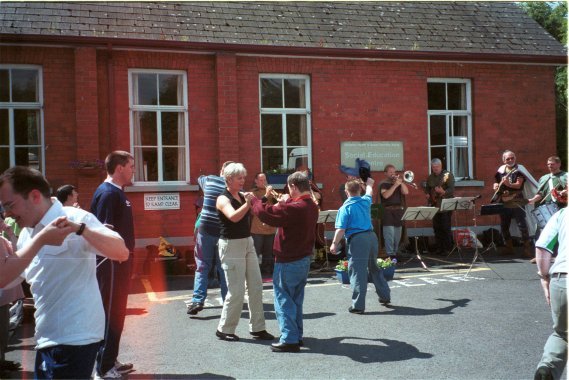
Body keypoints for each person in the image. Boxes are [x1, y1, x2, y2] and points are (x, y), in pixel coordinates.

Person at [0, 166, 128, 379]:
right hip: (46, 339)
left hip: (75, 338)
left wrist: (81, 230)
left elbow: (121, 252)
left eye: (9, 205)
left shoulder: (74, 218)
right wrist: (37, 242)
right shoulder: (26, 233)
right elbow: (6, 280)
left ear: (34, 196)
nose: (6, 213)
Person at [250, 171, 319, 352]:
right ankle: (297, 335)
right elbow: (288, 215)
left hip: (288, 260)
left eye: (289, 187)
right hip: (303, 259)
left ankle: (289, 339)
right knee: (295, 300)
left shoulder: (294, 208)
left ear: (293, 187)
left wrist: (255, 200)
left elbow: (265, 215)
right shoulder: (311, 205)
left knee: (283, 301)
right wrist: (285, 201)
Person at [215, 163, 274, 342]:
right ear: (229, 179)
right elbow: (233, 217)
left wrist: (266, 198)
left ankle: (257, 328)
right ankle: (224, 329)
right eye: (239, 178)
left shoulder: (242, 195)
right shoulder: (222, 199)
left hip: (247, 242)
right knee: (236, 290)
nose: (243, 181)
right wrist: (248, 202)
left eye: (243, 177)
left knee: (256, 286)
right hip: (231, 245)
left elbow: (257, 209)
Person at [90, 151, 136, 379]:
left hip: (120, 263)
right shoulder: (108, 194)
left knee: (116, 313)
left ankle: (110, 359)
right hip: (111, 265)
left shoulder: (117, 193)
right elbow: (104, 232)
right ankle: (103, 368)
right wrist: (116, 256)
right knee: (110, 313)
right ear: (119, 168)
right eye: (131, 166)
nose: (133, 171)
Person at [330, 177, 391, 314]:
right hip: (371, 237)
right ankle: (385, 296)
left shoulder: (345, 208)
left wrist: (334, 244)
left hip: (358, 240)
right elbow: (369, 191)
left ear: (346, 192)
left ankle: (358, 305)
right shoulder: (365, 201)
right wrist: (369, 183)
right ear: (359, 190)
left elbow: (340, 229)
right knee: (374, 267)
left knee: (358, 271)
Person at [186, 161, 233, 316]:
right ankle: (227, 300)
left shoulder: (210, 180)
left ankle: (197, 300)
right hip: (222, 232)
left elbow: (199, 178)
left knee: (202, 266)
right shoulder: (233, 189)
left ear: (221, 171)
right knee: (223, 268)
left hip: (205, 229)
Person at [534, 208, 567, 380]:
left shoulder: (562, 214)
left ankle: (547, 369)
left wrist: (544, 277)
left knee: (562, 334)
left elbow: (542, 246)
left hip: (562, 278)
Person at [493, 150, 537, 257]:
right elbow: (497, 181)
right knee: (504, 225)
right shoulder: (501, 170)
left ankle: (526, 249)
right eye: (508, 159)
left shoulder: (519, 170)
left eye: (512, 158)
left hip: (517, 200)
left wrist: (508, 184)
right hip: (504, 200)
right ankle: (509, 247)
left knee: (522, 225)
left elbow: (518, 185)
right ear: (504, 160)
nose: (510, 160)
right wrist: (495, 185)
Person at [424, 158, 455, 255]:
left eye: (437, 167)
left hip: (445, 205)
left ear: (441, 166)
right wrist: (427, 194)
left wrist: (444, 192)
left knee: (445, 227)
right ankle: (439, 247)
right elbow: (427, 188)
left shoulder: (447, 175)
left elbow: (452, 189)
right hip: (435, 206)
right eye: (433, 167)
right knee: (436, 228)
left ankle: (447, 248)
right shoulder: (430, 177)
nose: (435, 169)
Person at [379, 164, 409, 260]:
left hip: (398, 211)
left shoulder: (397, 183)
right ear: (385, 173)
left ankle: (395, 253)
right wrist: (395, 185)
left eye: (394, 172)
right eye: (391, 172)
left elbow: (406, 192)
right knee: (389, 234)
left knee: (397, 234)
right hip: (387, 211)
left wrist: (401, 183)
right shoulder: (383, 184)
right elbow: (386, 196)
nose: (393, 174)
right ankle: (390, 254)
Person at [249, 172, 277, 277]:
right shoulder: (253, 192)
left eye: (265, 180)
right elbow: (256, 207)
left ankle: (267, 272)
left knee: (268, 252)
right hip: (257, 228)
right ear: (256, 181)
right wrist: (266, 195)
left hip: (270, 227)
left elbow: (276, 206)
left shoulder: (271, 193)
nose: (263, 182)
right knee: (255, 251)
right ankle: (254, 273)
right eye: (261, 180)